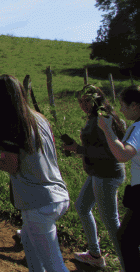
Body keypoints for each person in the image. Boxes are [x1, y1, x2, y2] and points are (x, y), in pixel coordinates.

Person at [0, 74, 69, 272]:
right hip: (56, 193)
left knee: (54, 265)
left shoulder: (11, 125)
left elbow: (11, 166)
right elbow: (38, 152)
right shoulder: (39, 119)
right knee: (32, 255)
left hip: (38, 203)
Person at [63, 85, 126, 270]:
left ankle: (129, 264)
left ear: (95, 99)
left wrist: (79, 149)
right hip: (97, 173)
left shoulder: (101, 118)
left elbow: (109, 152)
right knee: (82, 206)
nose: (82, 104)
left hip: (106, 174)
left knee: (111, 222)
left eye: (86, 101)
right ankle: (94, 254)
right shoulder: (97, 116)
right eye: (80, 101)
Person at [98, 85, 140, 271]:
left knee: (125, 238)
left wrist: (107, 129)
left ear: (135, 106)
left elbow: (123, 154)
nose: (121, 108)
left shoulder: (138, 128)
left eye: (123, 104)